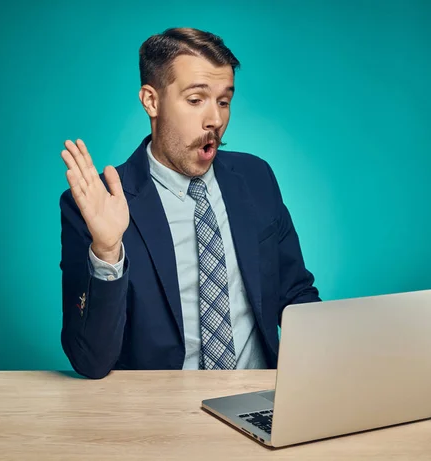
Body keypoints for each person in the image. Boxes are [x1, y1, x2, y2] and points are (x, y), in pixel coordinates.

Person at [59, 27, 321, 379]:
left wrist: (332, 362)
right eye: (196, 100)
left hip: (258, 398)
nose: (215, 119)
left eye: (224, 101)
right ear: (152, 101)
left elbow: (295, 294)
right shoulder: (97, 204)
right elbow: (90, 362)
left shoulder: (256, 178)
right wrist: (107, 251)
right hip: (160, 416)